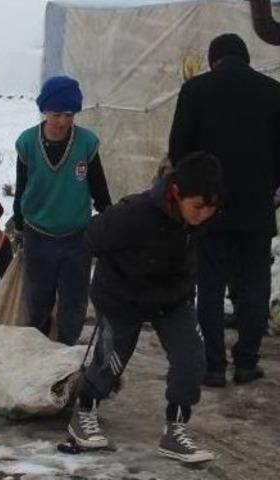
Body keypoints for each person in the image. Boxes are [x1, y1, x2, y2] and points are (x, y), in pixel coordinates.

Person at [67, 151, 223, 464]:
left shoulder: (200, 215)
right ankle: (83, 412)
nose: (203, 214)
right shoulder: (134, 213)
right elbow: (92, 237)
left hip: (172, 297)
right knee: (112, 360)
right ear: (176, 193)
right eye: (197, 207)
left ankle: (175, 431)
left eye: (211, 209)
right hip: (122, 296)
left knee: (191, 358)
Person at [168, 33, 280, 387]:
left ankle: (213, 365)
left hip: (209, 209)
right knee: (255, 285)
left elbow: (178, 149)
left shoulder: (195, 91)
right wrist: (267, 185)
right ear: (245, 58)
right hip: (257, 209)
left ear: (213, 60)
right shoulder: (274, 92)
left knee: (209, 286)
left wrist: (198, 192)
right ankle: (246, 362)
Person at [12, 75, 112, 346]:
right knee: (38, 299)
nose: (63, 121)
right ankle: (39, 348)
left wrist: (110, 220)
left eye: (69, 114)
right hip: (38, 233)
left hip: (76, 237)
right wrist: (19, 225)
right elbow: (22, 188)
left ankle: (66, 348)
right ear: (45, 110)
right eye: (57, 114)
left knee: (73, 300)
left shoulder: (86, 143)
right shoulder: (27, 143)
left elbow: (98, 188)